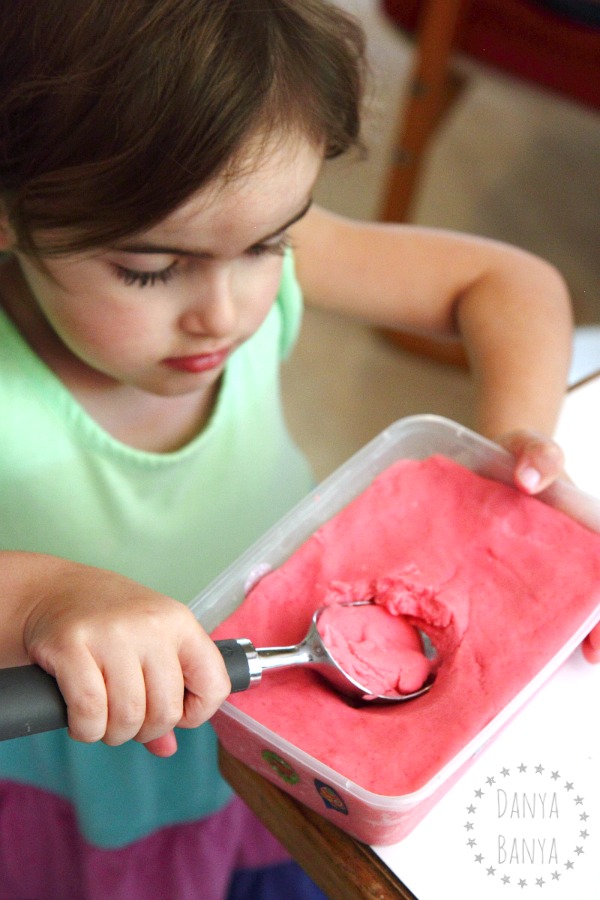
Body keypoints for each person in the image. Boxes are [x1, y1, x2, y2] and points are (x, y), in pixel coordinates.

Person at [0, 0, 591, 897]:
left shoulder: (227, 232)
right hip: (104, 761)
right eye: (149, 270)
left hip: (292, 698)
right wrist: (47, 595)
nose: (227, 312)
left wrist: (506, 461)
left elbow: (506, 283)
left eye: (267, 245)